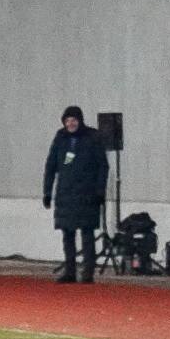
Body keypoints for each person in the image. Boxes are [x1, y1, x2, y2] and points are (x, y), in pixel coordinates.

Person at [42, 106, 109, 285]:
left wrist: (100, 191)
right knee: (67, 234)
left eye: (74, 120)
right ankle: (70, 271)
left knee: (87, 234)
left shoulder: (93, 137)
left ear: (80, 120)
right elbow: (50, 165)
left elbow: (103, 166)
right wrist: (47, 192)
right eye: (67, 120)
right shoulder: (60, 137)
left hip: (88, 193)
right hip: (65, 193)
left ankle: (88, 272)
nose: (71, 123)